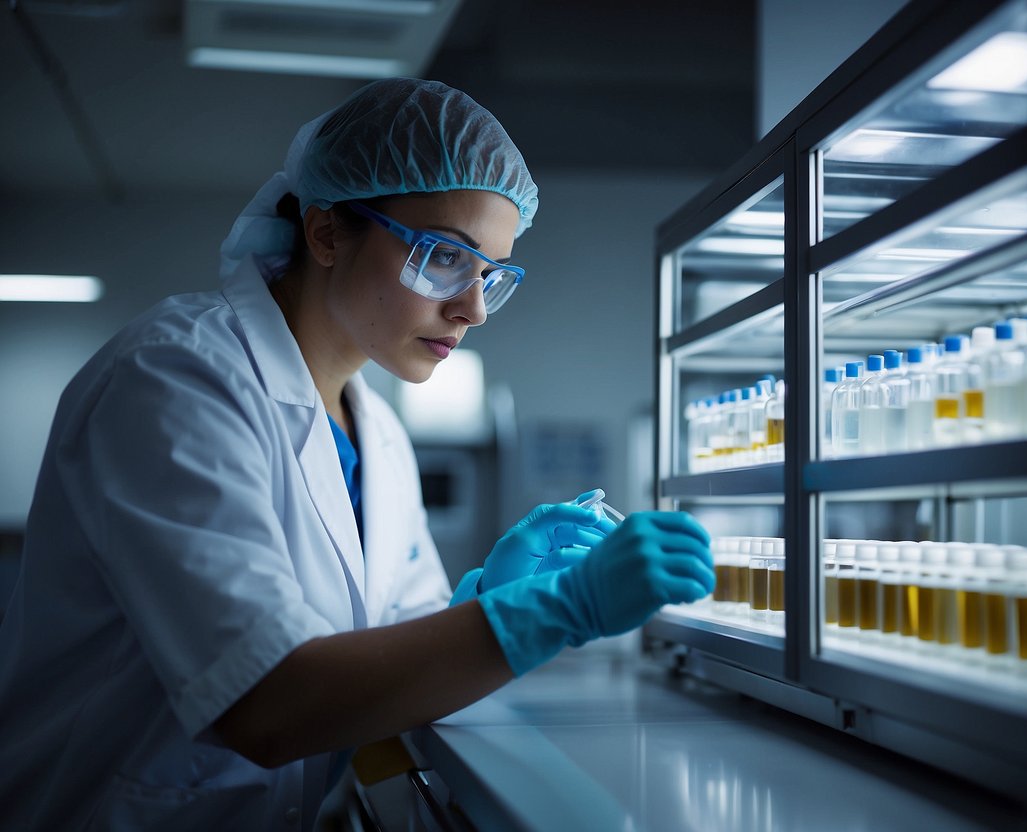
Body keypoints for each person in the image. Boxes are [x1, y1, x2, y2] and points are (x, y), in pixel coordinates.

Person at [0, 79, 714, 830]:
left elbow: (381, 663)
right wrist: (560, 610)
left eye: (491, 276)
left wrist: (482, 603)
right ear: (327, 234)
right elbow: (264, 703)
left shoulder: (378, 432)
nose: (471, 308)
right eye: (445, 256)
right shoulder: (173, 381)